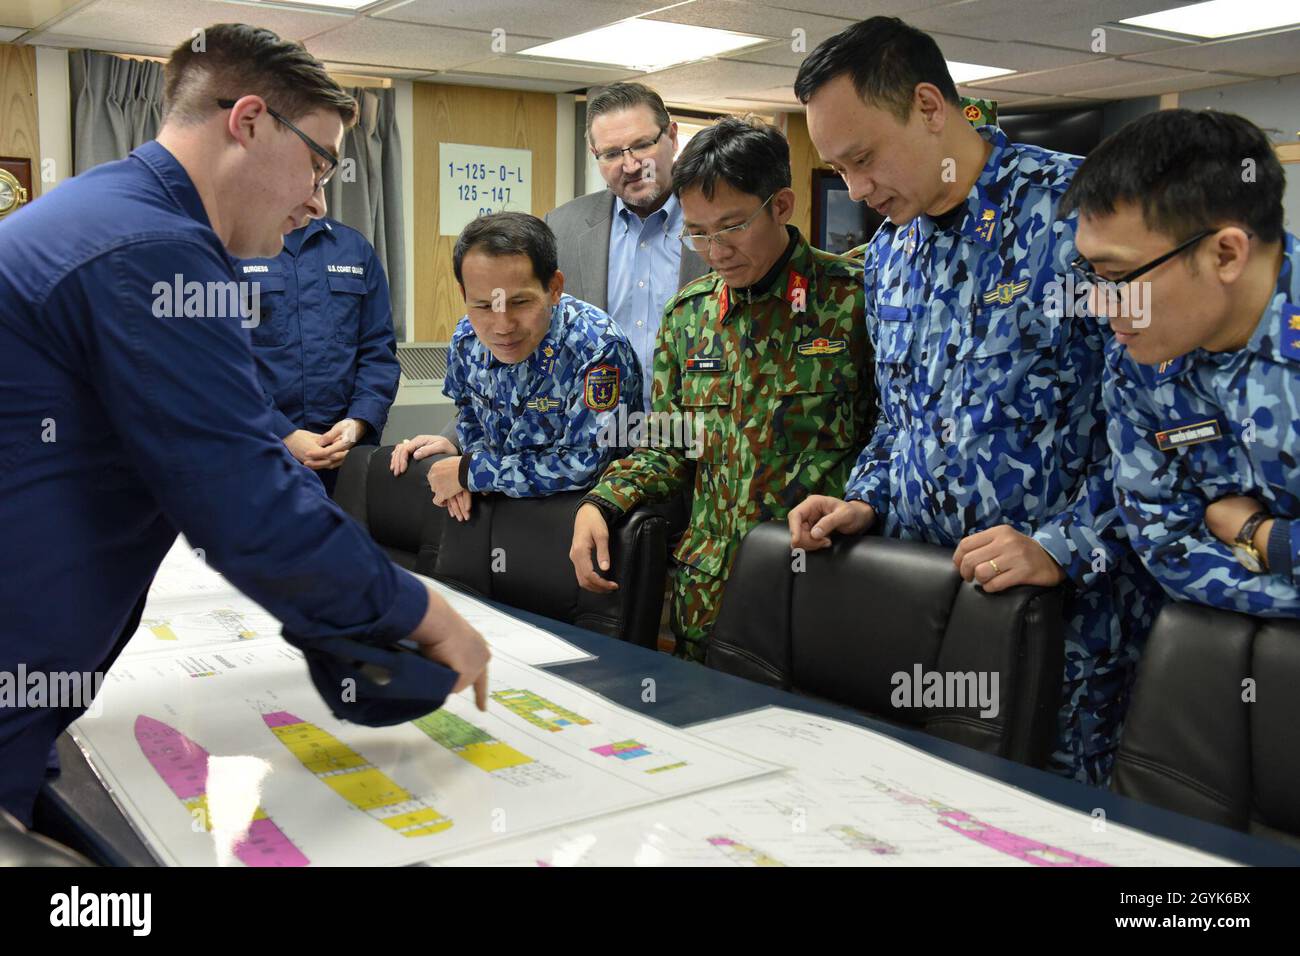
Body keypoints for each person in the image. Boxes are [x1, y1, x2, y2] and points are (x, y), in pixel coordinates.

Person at [0, 24, 488, 825]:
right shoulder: (151, 248)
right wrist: (424, 615)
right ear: (250, 122)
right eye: (319, 162)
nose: (318, 200)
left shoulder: (121, 216)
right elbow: (244, 499)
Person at [786, 17, 1160, 784]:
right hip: (923, 616)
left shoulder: (1082, 217)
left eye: (862, 159)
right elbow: (903, 418)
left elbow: (1158, 429)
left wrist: (1061, 544)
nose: (854, 190)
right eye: (839, 168)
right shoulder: (889, 254)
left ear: (929, 106)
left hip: (1071, 635)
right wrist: (865, 499)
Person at [571, 117, 875, 662]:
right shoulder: (689, 317)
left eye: (732, 226)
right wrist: (602, 502)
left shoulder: (854, 303)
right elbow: (666, 447)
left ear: (781, 205)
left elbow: (890, 438)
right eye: (697, 232)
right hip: (709, 592)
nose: (714, 250)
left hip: (824, 579)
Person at [1065, 109, 1300, 613]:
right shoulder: (1140, 362)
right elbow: (1165, 548)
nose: (1101, 307)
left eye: (1120, 275)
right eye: (1092, 274)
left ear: (1225, 255)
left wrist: (1256, 533)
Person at [390, 213, 642, 520]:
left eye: (520, 303)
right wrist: (468, 467)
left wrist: (474, 472)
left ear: (554, 287)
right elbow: (469, 413)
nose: (502, 326)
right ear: (463, 295)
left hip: (575, 520)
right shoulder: (467, 339)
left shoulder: (597, 347)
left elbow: (584, 466)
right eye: (483, 306)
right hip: (494, 515)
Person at [544, 82, 708, 408]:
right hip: (594, 441)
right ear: (595, 155)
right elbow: (523, 341)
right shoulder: (561, 228)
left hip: (695, 438)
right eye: (612, 153)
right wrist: (457, 435)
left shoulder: (719, 223)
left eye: (642, 145)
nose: (631, 165)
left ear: (673, 137)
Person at [235, 216, 400, 495]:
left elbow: (378, 352)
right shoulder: (233, 247)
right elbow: (221, 361)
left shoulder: (353, 248)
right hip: (256, 452)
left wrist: (357, 424)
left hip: (342, 458)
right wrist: (284, 433)